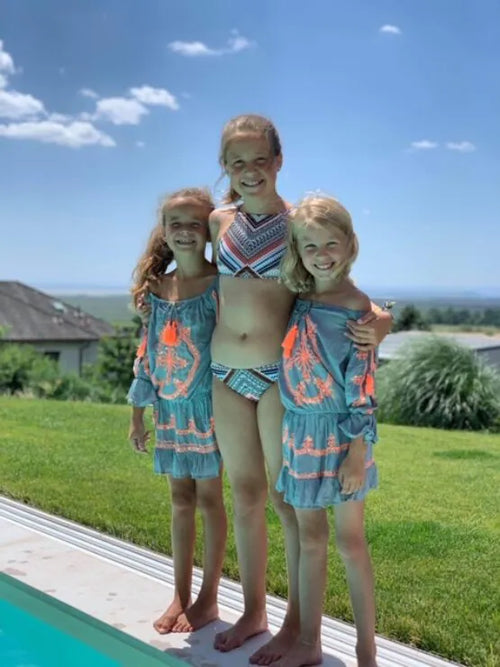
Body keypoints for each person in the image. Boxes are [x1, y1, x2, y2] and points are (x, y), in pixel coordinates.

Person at [208, 114, 391, 658]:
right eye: (236, 162)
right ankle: (254, 611)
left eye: (259, 159)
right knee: (244, 494)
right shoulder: (219, 221)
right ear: (225, 167)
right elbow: (193, 268)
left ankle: (297, 627)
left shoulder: (297, 224)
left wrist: (382, 320)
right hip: (223, 370)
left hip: (277, 376)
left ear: (278, 161)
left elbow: (339, 285)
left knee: (286, 501)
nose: (249, 171)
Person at [273, 194, 379, 667]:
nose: (321, 255)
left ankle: (366, 649)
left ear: (350, 245)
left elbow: (364, 383)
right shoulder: (300, 299)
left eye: (331, 243)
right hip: (300, 433)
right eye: (310, 245)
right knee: (310, 538)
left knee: (350, 542)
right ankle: (308, 643)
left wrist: (357, 451)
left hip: (344, 435)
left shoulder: (358, 309)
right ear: (298, 250)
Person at [128, 187, 227, 635]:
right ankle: (180, 595)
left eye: (194, 223)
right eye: (176, 223)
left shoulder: (221, 285)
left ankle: (209, 598)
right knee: (180, 501)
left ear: (208, 231)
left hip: (208, 412)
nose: (185, 231)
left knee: (209, 500)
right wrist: (137, 414)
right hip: (168, 412)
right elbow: (147, 353)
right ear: (164, 231)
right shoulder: (157, 288)